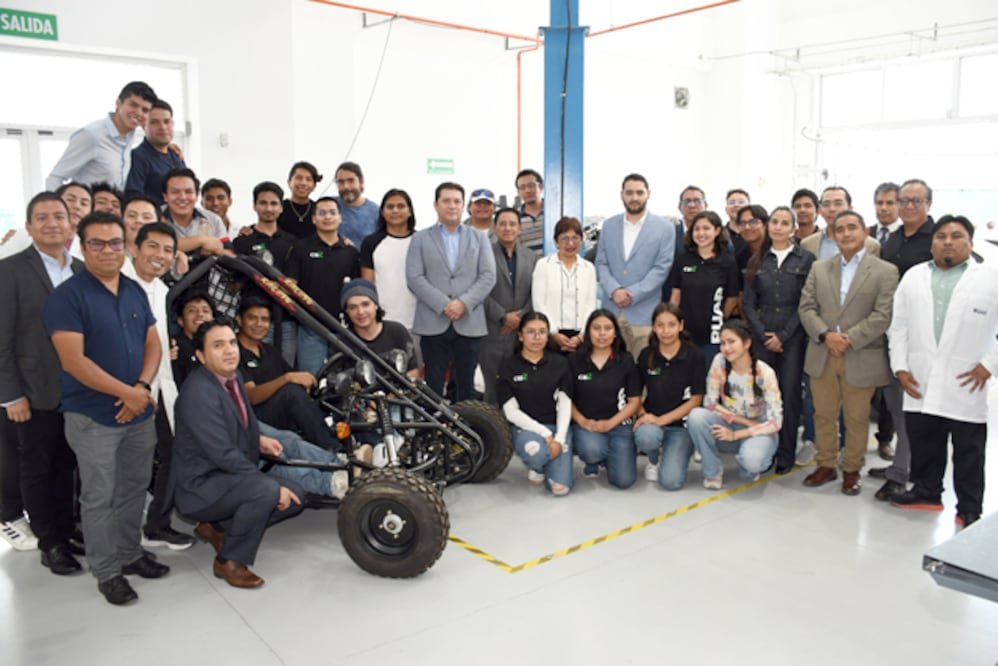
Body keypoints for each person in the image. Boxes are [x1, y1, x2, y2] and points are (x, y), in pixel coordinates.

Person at [43, 211, 167, 606]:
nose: (108, 250)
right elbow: (73, 361)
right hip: (92, 416)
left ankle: (130, 554)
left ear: (125, 246)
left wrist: (142, 388)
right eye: (97, 243)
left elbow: (153, 343)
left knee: (133, 489)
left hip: (139, 411)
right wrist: (127, 394)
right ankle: (107, 571)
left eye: (115, 242)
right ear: (81, 247)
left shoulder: (132, 290)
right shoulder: (66, 297)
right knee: (99, 496)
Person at [173, 319, 305, 588]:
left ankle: (217, 527)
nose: (230, 350)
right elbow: (222, 453)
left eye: (232, 343)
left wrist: (259, 440)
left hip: (225, 476)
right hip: (200, 486)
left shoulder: (232, 378)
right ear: (200, 355)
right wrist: (266, 486)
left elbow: (244, 421)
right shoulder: (199, 393)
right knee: (267, 492)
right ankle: (229, 561)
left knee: (296, 496)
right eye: (218, 345)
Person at [887, 215, 996, 528]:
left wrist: (989, 365)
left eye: (956, 235)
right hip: (918, 375)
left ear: (970, 243)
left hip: (967, 379)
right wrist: (901, 367)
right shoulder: (913, 276)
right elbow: (899, 327)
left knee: (969, 449)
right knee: (925, 440)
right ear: (932, 243)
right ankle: (926, 491)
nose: (948, 241)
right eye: (941, 236)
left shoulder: (990, 277)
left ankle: (969, 507)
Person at [0, 193, 83, 568]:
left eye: (59, 216)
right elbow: (1, 338)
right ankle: (50, 541)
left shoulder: (82, 270)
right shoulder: (10, 270)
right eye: (42, 217)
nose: (52, 223)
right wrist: (11, 394)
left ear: (70, 224)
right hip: (33, 391)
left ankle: (67, 530)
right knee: (37, 468)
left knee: (68, 465)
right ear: (29, 226)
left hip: (78, 390)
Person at [799, 211, 898, 496]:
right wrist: (825, 335)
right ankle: (826, 464)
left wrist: (849, 339)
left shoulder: (885, 271)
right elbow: (806, 308)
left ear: (865, 232)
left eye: (851, 227)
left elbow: (883, 315)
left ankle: (852, 469)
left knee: (857, 418)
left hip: (861, 354)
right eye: (839, 229)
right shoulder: (819, 268)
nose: (845, 233)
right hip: (822, 351)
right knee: (824, 415)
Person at [119, 221, 195, 550]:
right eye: (153, 247)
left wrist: (168, 347)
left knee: (172, 454)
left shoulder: (162, 290)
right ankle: (124, 541)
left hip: (161, 388)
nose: (160, 255)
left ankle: (156, 525)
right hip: (128, 391)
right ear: (134, 248)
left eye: (167, 250)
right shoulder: (118, 286)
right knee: (130, 468)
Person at [868, 178, 937, 500]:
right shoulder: (893, 239)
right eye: (904, 200)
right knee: (896, 405)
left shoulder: (936, 240)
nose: (909, 205)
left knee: (915, 406)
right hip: (891, 333)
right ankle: (902, 465)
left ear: (928, 204)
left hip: (922, 338)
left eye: (916, 200)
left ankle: (904, 473)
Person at [406, 182, 496, 401]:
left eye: (457, 201)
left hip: (469, 321)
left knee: (466, 387)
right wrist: (444, 304)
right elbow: (414, 277)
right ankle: (436, 433)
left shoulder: (479, 239)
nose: (452, 205)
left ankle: (464, 433)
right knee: (434, 387)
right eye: (446, 200)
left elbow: (488, 276)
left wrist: (463, 303)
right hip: (433, 320)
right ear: (436, 205)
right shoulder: (420, 239)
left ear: (463, 205)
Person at [742, 207, 815, 474]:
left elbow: (807, 302)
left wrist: (783, 335)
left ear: (794, 228)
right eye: (775, 222)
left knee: (790, 394)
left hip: (793, 337)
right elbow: (748, 303)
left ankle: (786, 452)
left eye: (785, 223)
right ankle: (765, 450)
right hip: (762, 336)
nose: (779, 227)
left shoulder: (806, 260)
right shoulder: (757, 260)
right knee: (764, 395)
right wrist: (763, 335)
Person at [235, 299, 341, 453]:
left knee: (329, 393)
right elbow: (251, 396)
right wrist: (286, 379)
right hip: (255, 419)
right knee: (291, 393)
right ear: (239, 320)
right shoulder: (233, 352)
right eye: (252, 318)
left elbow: (296, 379)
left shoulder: (269, 350)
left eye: (264, 319)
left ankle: (355, 442)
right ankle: (333, 449)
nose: (259, 324)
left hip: (282, 412)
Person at [687, 319, 782, 489]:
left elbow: (775, 423)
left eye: (732, 342)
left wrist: (737, 435)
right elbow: (710, 403)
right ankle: (713, 472)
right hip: (732, 423)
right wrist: (741, 422)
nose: (726, 348)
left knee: (752, 462)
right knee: (696, 416)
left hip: (758, 429)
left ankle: (749, 463)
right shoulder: (719, 362)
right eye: (723, 343)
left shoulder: (765, 373)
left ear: (747, 343)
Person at [595, 173, 676, 356]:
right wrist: (614, 290)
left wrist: (633, 294)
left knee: (644, 372)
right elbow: (601, 263)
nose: (634, 198)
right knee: (612, 372)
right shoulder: (608, 226)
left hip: (644, 313)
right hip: (611, 312)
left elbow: (662, 268)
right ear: (621, 195)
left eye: (639, 193)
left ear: (648, 194)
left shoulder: (665, 228)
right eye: (629, 193)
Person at [496, 312, 573, 495]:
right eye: (531, 332)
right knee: (537, 455)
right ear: (520, 336)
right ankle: (538, 467)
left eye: (542, 332)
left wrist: (559, 439)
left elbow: (565, 402)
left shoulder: (560, 363)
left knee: (560, 488)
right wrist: (545, 434)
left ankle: (552, 465)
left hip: (556, 427)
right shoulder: (509, 365)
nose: (537, 338)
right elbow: (510, 411)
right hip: (527, 428)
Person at [633, 303, 705, 489]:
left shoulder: (694, 355)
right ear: (654, 327)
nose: (666, 331)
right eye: (660, 325)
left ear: (681, 326)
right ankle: (653, 458)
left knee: (671, 482)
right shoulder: (646, 355)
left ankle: (676, 451)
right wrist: (643, 416)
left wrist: (661, 420)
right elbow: (634, 394)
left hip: (681, 427)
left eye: (672, 325)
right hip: (652, 422)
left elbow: (696, 399)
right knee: (646, 437)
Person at [285, 197, 360, 375]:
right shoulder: (300, 248)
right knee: (312, 380)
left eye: (333, 212)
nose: (328, 217)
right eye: (322, 213)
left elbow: (357, 290)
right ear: (313, 219)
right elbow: (290, 286)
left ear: (340, 217)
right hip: (310, 327)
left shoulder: (350, 251)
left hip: (344, 330)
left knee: (345, 382)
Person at [568, 309, 641, 489]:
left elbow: (634, 401)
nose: (602, 333)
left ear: (615, 333)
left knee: (623, 481)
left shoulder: (626, 360)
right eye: (596, 328)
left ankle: (611, 457)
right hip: (588, 425)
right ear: (588, 332)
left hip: (619, 425)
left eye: (607, 328)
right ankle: (594, 460)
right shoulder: (575, 360)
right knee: (592, 451)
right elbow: (566, 399)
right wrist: (582, 421)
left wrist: (611, 424)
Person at [45, 81, 157, 190]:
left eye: (145, 110)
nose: (138, 113)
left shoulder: (130, 136)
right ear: (118, 103)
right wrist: (60, 208)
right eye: (133, 105)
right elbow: (55, 178)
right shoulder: (91, 135)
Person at [665, 210, 739, 363]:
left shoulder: (727, 262)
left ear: (717, 231)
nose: (701, 233)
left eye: (706, 228)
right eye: (697, 229)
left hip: (713, 333)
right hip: (685, 332)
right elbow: (675, 296)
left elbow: (733, 298)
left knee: (711, 379)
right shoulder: (683, 260)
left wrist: (718, 317)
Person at [481, 208, 538, 404]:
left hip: (521, 336)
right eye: (503, 224)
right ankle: (492, 431)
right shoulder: (483, 254)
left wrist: (520, 317)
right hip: (492, 332)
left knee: (522, 388)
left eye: (512, 224)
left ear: (520, 228)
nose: (508, 228)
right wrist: (503, 317)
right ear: (495, 228)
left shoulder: (532, 257)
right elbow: (479, 292)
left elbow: (536, 292)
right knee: (493, 389)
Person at [531, 216, 597, 355]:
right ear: (556, 241)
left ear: (581, 240)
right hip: (550, 336)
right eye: (564, 238)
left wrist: (581, 336)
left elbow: (590, 305)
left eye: (575, 238)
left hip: (580, 337)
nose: (570, 243)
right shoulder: (544, 265)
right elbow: (538, 304)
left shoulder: (588, 268)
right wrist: (554, 334)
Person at [359, 189, 418, 330]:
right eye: (390, 207)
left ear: (410, 211)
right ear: (382, 212)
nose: (395, 210)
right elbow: (368, 285)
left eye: (401, 206)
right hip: (383, 321)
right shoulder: (370, 243)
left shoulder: (421, 241)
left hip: (418, 320)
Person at [341, 279, 418, 378]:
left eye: (365, 304)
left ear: (376, 305)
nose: (360, 312)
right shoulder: (342, 341)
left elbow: (413, 372)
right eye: (353, 307)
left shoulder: (397, 332)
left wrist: (392, 393)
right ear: (346, 311)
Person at [124, 99, 185, 205]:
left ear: (173, 124)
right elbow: (134, 197)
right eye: (154, 122)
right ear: (144, 126)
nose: (162, 127)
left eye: (166, 121)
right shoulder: (137, 157)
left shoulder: (175, 155)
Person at [161, 168, 228, 258]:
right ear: (165, 196)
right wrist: (201, 241)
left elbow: (230, 253)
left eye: (188, 192)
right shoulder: (152, 215)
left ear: (196, 196)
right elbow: (157, 246)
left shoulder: (213, 219)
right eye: (175, 192)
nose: (182, 197)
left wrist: (216, 251)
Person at [801, 186, 880, 260]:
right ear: (820, 210)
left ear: (850, 208)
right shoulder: (807, 244)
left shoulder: (870, 245)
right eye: (826, 204)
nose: (832, 209)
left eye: (838, 203)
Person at [334, 161, 380, 248]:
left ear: (361, 181)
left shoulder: (376, 212)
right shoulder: (328, 205)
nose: (346, 186)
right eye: (341, 182)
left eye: (351, 181)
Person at [277, 161, 321, 239]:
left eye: (308, 179)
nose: (303, 183)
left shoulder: (319, 209)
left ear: (314, 186)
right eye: (299, 178)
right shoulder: (278, 207)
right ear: (289, 182)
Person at [514, 168, 546, 252]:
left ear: (541, 187)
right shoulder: (514, 218)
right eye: (522, 187)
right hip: (527, 264)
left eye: (531, 185)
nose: (527, 190)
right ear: (518, 192)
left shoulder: (554, 212)